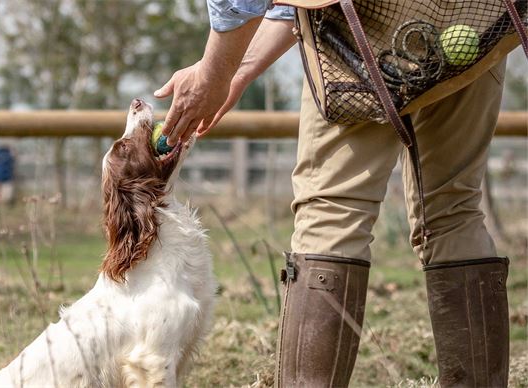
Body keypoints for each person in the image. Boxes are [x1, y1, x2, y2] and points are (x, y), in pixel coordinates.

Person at [154, 1, 510, 387]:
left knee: (333, 213)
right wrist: (238, 69)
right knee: (455, 209)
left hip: (363, 27)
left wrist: (213, 72)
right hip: (475, 16)